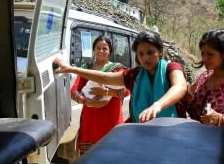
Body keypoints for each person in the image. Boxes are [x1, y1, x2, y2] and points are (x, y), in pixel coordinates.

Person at [55, 30, 187, 123]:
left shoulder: (172, 68)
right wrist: (71, 69)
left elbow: (180, 87)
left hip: (170, 131)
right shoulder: (134, 75)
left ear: (160, 52)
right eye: (141, 54)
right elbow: (105, 77)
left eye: (150, 52)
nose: (145, 58)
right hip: (141, 130)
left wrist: (157, 105)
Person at [69, 35, 128, 154]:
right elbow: (74, 91)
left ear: (110, 51)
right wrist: (88, 102)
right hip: (91, 118)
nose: (101, 51)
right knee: (89, 157)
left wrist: (106, 92)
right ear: (93, 50)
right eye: (98, 48)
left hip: (110, 117)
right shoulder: (88, 68)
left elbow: (126, 91)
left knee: (111, 153)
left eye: (104, 48)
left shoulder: (117, 69)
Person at [184, 29, 224, 127]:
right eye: (202, 54)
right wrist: (188, 100)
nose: (204, 59)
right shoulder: (204, 76)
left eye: (210, 54)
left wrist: (220, 118)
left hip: (218, 140)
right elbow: (193, 114)